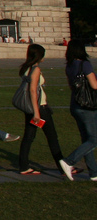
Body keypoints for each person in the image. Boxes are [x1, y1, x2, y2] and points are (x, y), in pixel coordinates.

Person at [16, 44, 64, 174]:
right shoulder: (35, 69)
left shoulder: (26, 68)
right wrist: (36, 113)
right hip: (39, 108)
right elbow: (33, 91)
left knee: (29, 137)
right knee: (52, 138)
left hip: (30, 109)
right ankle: (63, 167)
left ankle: (24, 166)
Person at [58, 39, 97, 181]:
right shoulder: (84, 64)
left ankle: (94, 173)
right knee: (93, 139)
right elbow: (94, 85)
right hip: (88, 106)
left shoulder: (69, 66)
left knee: (86, 140)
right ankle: (69, 161)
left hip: (75, 104)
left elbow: (71, 86)